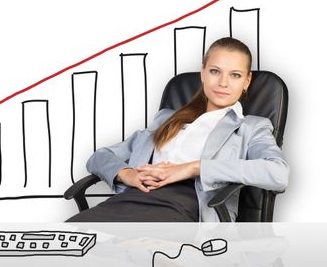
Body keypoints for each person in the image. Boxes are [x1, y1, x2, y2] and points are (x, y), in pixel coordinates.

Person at [67, 37, 289, 222]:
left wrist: (194, 168)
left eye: (235, 75)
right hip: (130, 199)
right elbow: (99, 157)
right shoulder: (167, 119)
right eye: (215, 71)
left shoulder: (251, 126)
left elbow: (278, 173)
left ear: (247, 81)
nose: (223, 82)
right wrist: (127, 174)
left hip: (188, 207)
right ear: (202, 73)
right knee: (67, 240)